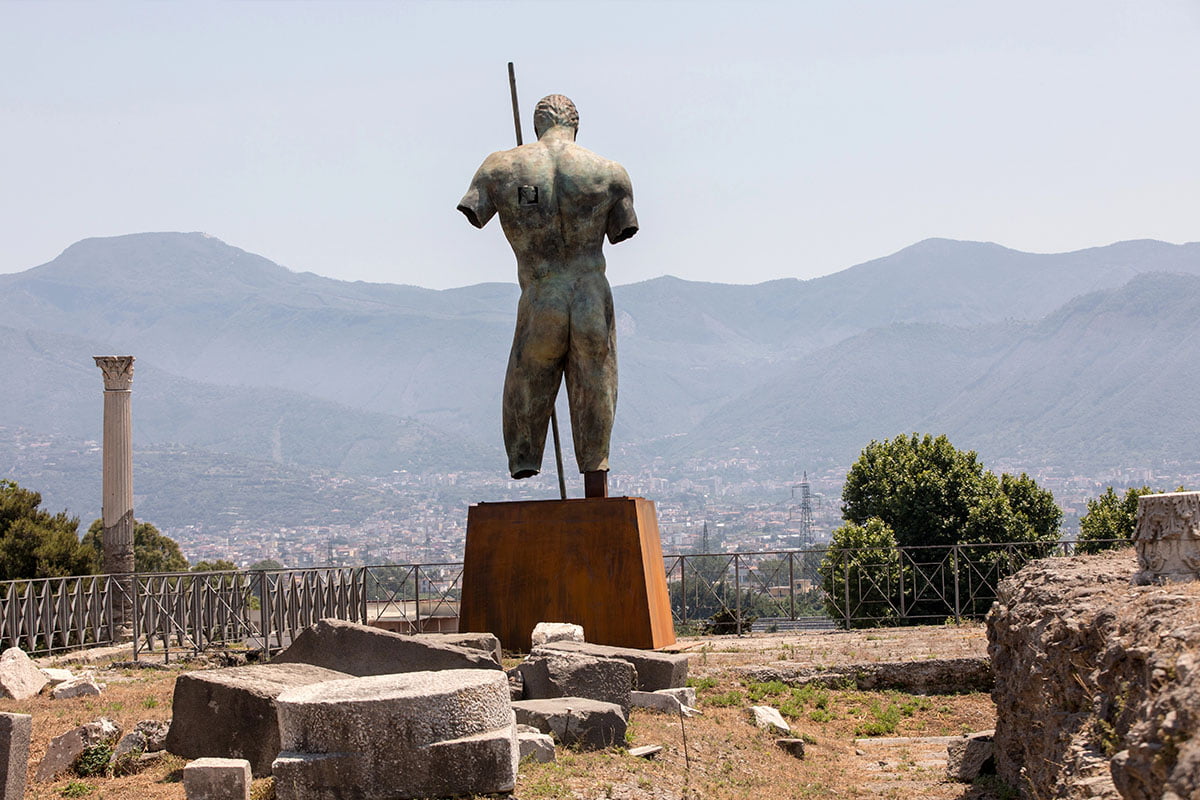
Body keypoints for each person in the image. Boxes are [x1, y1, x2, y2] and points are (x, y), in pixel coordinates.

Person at [458, 94, 638, 496]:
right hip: (590, 293)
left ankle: (524, 458)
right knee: (596, 381)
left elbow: (475, 210)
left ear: (537, 124)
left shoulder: (501, 167)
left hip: (542, 296)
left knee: (527, 377)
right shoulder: (610, 173)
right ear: (576, 125)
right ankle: (595, 467)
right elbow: (621, 229)